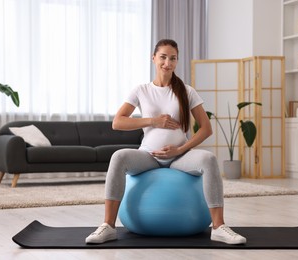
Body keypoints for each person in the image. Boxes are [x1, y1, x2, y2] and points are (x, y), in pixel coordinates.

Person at [85, 39, 246, 245]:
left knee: (208, 159)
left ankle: (219, 227)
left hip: (181, 156)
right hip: (148, 156)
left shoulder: (186, 91)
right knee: (119, 157)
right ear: (153, 58)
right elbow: (118, 122)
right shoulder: (141, 90)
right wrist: (153, 121)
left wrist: (180, 149)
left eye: (172, 58)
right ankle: (108, 226)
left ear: (177, 61)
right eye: (163, 57)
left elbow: (206, 129)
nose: (167, 63)